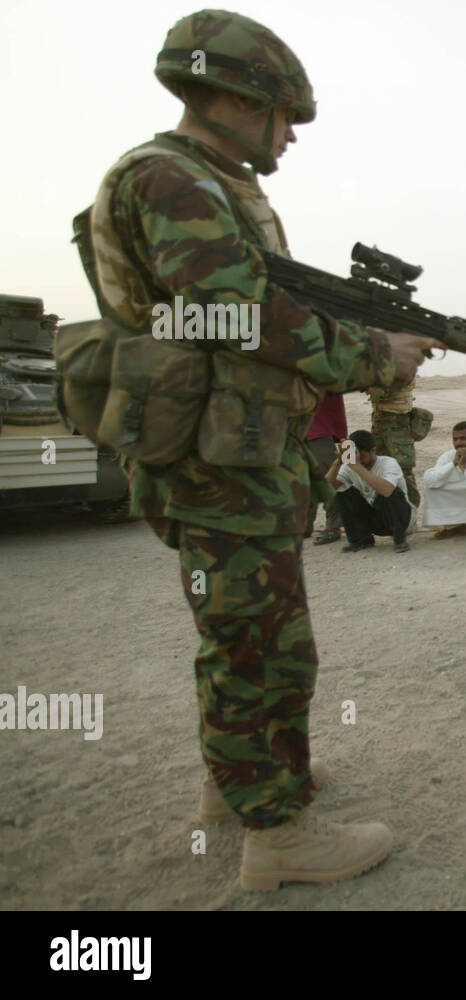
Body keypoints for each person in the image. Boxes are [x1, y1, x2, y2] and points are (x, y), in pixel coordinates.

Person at [79, 10, 431, 890]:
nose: (289, 137)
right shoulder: (171, 179)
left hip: (229, 450)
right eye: (285, 118)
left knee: (245, 632)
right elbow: (237, 314)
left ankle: (241, 782)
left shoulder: (202, 179)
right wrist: (372, 355)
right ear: (238, 97)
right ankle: (277, 834)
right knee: (262, 644)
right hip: (215, 462)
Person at [327, 429, 419, 553]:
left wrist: (356, 466)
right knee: (342, 492)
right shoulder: (350, 464)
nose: (359, 460)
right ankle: (360, 540)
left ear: (373, 450)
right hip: (375, 518)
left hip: (402, 521)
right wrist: (338, 462)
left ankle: (399, 540)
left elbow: (387, 490)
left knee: (391, 491)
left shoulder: (388, 463)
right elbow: (328, 488)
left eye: (362, 456)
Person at [367, 378, 420, 507]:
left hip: (398, 426)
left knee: (404, 471)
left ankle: (411, 510)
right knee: (377, 468)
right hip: (380, 423)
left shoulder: (403, 364)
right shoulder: (384, 365)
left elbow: (380, 392)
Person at [305, 392, 347, 544]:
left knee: (328, 475)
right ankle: (304, 524)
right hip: (296, 423)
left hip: (317, 424)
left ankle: (333, 526)